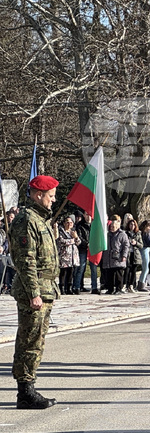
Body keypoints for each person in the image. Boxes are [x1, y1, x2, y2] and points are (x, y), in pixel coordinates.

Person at [10, 175, 61, 409]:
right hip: (35, 291)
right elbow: (25, 260)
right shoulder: (26, 220)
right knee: (29, 340)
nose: (54, 200)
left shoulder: (40, 220)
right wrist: (33, 292)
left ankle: (28, 387)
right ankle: (25, 391)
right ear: (38, 195)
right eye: (50, 196)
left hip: (46, 289)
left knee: (37, 340)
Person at [105, 215, 131, 295]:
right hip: (109, 257)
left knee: (118, 274)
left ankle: (119, 288)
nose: (112, 228)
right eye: (111, 226)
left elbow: (126, 246)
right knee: (109, 274)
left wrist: (124, 256)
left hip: (118, 257)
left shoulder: (122, 234)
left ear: (117, 226)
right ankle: (110, 289)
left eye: (113, 226)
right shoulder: (107, 234)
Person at [56, 215, 81, 295]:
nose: (69, 224)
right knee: (63, 272)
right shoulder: (61, 231)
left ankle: (69, 288)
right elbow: (61, 241)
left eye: (71, 222)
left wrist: (76, 237)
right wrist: (72, 240)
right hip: (64, 256)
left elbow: (79, 242)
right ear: (64, 223)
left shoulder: (73, 232)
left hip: (73, 256)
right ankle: (62, 288)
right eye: (67, 222)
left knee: (71, 272)